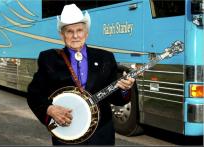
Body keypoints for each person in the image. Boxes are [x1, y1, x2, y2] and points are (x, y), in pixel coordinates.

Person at [27, 3, 135, 145]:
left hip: (101, 135)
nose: (75, 36)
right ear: (62, 35)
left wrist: (124, 89)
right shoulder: (49, 59)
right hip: (67, 134)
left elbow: (117, 99)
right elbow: (34, 94)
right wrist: (50, 109)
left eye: (79, 30)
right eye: (69, 31)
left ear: (86, 32)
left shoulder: (105, 58)